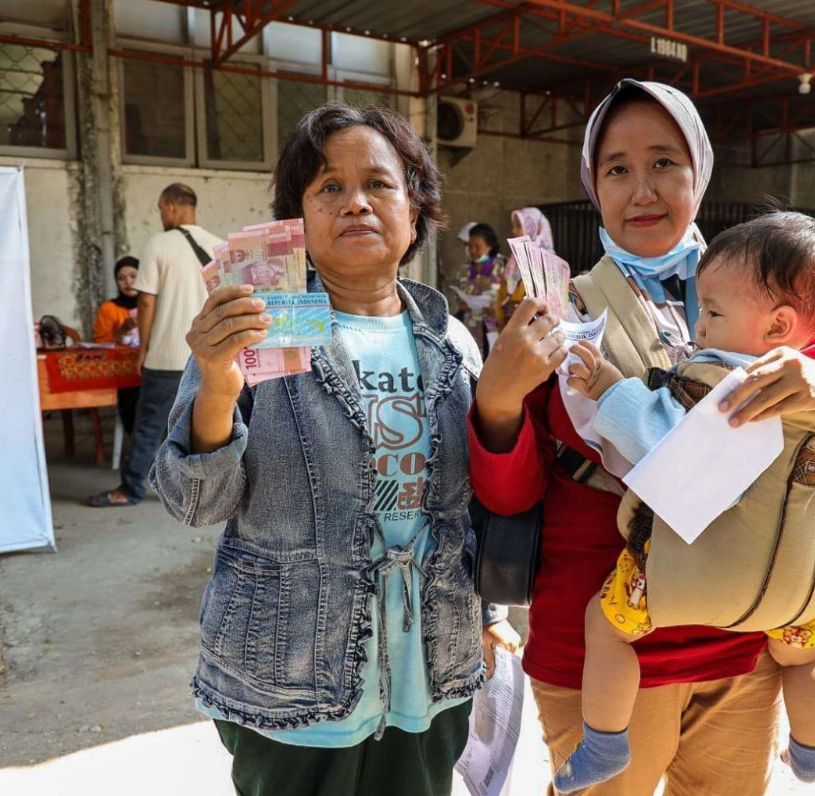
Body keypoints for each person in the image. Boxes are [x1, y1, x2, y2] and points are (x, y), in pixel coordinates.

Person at [468, 78, 815, 796]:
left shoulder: (769, 284)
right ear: (593, 184)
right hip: (605, 641)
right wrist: (497, 404)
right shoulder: (561, 311)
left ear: (698, 171)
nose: (642, 189)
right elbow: (510, 494)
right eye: (617, 168)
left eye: (664, 162)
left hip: (744, 633)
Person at [150, 103, 516, 795]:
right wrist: (218, 387)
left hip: (430, 673)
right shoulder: (253, 333)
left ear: (415, 208)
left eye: (378, 184)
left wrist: (490, 615)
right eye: (329, 187)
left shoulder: (452, 342)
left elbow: (468, 509)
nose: (356, 203)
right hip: (290, 679)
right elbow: (195, 503)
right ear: (297, 220)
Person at [553, 212, 815, 792]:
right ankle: (809, 752)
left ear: (777, 325)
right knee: (806, 661)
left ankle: (605, 743)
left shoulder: (718, 383)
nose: (698, 326)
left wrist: (608, 387)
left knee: (606, 630)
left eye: (712, 312)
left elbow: (658, 442)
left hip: (678, 581)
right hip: (792, 591)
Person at [86, 183, 223, 507]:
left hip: (165, 357)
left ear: (171, 206)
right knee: (207, 427)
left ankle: (130, 490)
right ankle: (207, 493)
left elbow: (146, 302)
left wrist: (143, 349)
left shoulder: (158, 244)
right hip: (209, 355)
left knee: (149, 426)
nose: (161, 215)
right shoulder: (219, 245)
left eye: (161, 209)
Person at [92, 255, 142, 434]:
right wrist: (120, 332)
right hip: (123, 372)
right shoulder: (109, 309)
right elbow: (101, 342)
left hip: (152, 367)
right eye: (121, 278)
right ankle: (138, 440)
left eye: (133, 276)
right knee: (130, 395)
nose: (128, 282)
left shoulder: (153, 305)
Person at [497, 207, 555, 329]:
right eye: (513, 226)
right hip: (511, 325)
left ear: (533, 228)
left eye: (518, 226)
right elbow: (503, 291)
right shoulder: (514, 259)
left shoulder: (546, 262)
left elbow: (549, 302)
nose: (513, 231)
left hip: (533, 328)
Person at [455, 221, 506, 353]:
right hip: (471, 328)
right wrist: (461, 304)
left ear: (489, 246)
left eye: (477, 246)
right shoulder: (464, 269)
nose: (472, 250)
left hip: (495, 328)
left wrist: (497, 308)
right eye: (470, 246)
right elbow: (459, 293)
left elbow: (510, 297)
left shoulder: (503, 267)